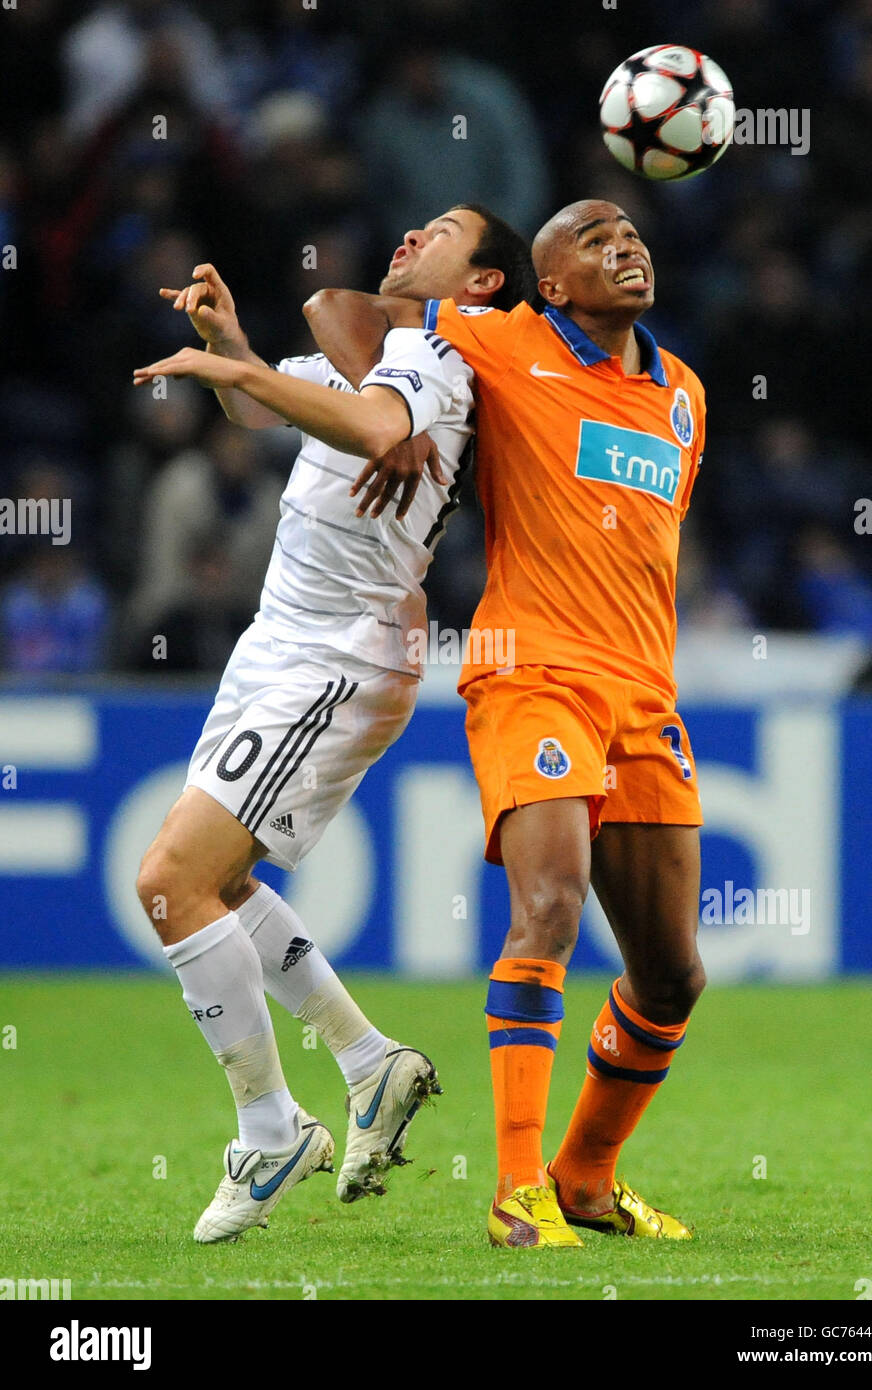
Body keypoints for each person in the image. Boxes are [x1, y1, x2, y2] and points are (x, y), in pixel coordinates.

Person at [303, 200, 708, 1249]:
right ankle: (514, 1188)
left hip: (643, 695)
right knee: (550, 907)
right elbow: (343, 306)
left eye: (630, 232)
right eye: (592, 238)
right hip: (530, 670)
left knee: (670, 974)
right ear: (552, 284)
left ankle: (583, 1178)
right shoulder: (495, 338)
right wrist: (395, 409)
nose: (624, 244)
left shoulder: (683, 397)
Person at [132, 203, 536, 1242]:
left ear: (482, 283)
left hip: (335, 650)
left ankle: (271, 1127)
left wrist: (236, 373)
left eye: (444, 232)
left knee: (169, 884)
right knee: (216, 884)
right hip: (285, 637)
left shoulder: (437, 360)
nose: (411, 235)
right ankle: (368, 1062)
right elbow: (274, 416)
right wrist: (237, 353)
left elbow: (373, 429)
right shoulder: (389, 350)